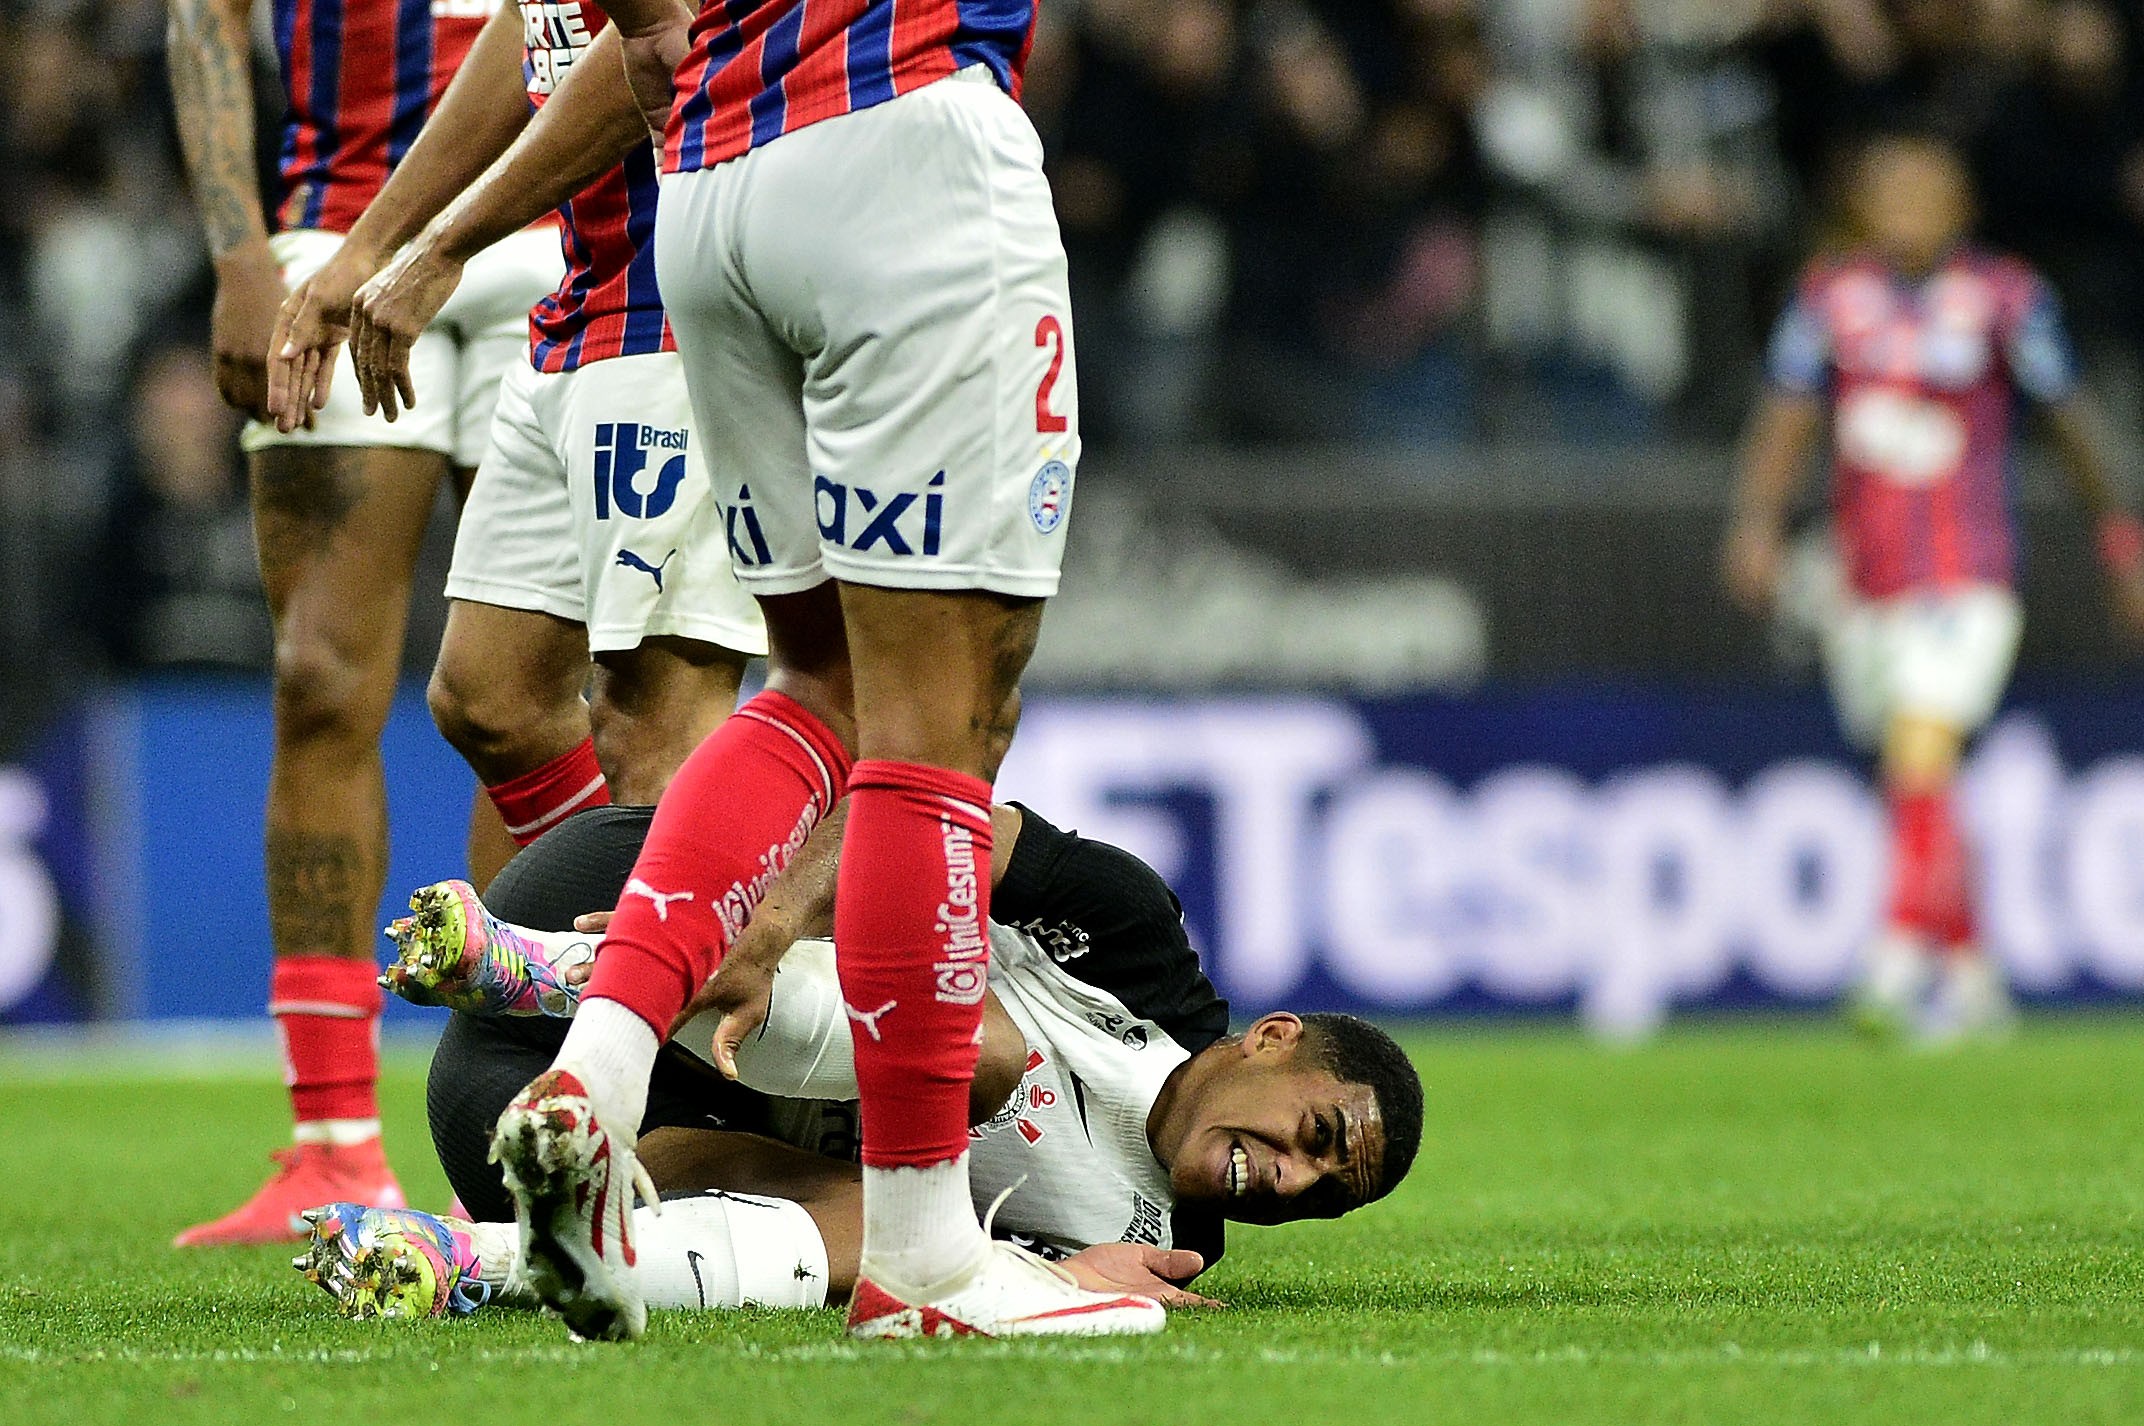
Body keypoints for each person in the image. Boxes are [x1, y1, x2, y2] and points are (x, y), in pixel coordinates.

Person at [486, 0, 1099, 1341]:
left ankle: (593, 1077)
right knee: (944, 722)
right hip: (906, 144)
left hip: (706, 185)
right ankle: (928, 1257)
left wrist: (651, 25)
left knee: (817, 684)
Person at [293, 800, 1424, 1322]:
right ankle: (539, 970)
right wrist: (769, 921)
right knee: (978, 1052)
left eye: (1322, 1193)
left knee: (896, 1229)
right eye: (1317, 1136)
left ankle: (475, 1261)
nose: (1288, 1176)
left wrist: (1054, 1287)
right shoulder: (1125, 931)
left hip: (549, 1135)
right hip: (655, 913)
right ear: (1272, 1039)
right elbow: (905, 815)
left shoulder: (1159, 1252)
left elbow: (918, 1274)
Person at [166, 0, 563, 1245]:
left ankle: (501, 1130)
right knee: (318, 676)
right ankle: (330, 1140)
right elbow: (204, 21)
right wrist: (241, 257)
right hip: (330, 229)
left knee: (526, 700)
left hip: (548, 224)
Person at [264, 3, 766, 889]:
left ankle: (708, 977)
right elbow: (536, 31)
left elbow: (658, 47)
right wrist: (370, 245)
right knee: (486, 697)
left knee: (651, 722)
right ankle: (679, 934)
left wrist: (441, 247)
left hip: (677, 294)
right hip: (583, 295)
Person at [1722, 129, 2144, 1043]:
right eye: (1887, 187)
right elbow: (1787, 416)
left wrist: (2123, 539)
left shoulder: (2007, 298)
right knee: (1919, 776)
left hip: (1966, 573)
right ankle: (1973, 969)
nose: (1905, 205)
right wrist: (1756, 521)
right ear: (1861, 204)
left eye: (1925, 189)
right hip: (1865, 578)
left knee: (1922, 744)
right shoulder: (1829, 298)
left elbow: (2072, 421)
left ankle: (1895, 955)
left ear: (1963, 206)